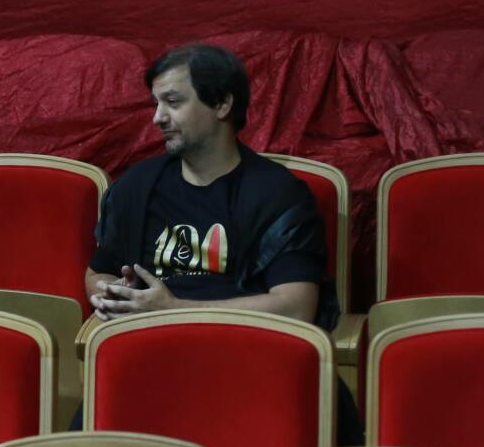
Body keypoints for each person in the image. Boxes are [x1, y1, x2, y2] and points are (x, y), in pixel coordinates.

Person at [86, 43, 338, 330]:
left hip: (242, 347)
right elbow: (97, 275)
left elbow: (296, 309)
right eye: (156, 103)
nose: (158, 118)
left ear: (222, 104)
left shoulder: (278, 194)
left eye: (173, 102)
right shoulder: (137, 185)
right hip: (146, 346)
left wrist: (173, 309)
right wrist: (119, 295)